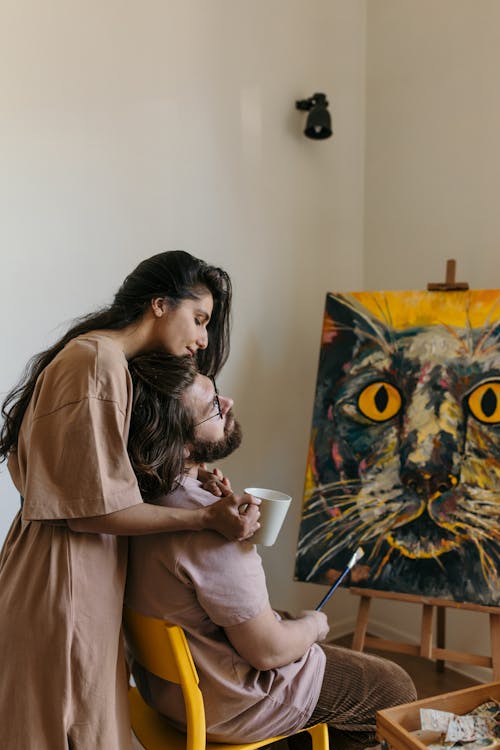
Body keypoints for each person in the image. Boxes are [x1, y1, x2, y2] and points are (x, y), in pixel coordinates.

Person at [0, 251, 260, 750]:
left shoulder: (99, 360)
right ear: (160, 305)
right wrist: (205, 518)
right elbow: (94, 509)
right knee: (67, 725)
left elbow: (77, 483)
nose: (203, 339)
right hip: (67, 577)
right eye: (199, 319)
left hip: (62, 570)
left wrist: (188, 478)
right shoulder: (97, 361)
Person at [125, 354, 417, 750]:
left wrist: (195, 478)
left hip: (167, 699)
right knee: (392, 687)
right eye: (212, 406)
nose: (227, 403)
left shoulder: (133, 504)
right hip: (232, 704)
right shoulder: (213, 530)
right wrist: (315, 625)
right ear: (182, 439)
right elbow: (268, 650)